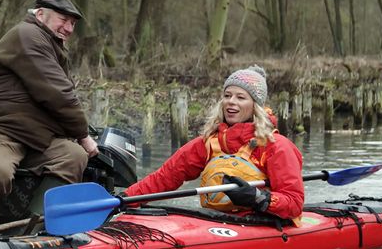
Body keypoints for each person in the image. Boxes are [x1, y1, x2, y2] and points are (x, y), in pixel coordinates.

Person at [0, 0, 99, 235]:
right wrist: (83, 135)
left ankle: (30, 234)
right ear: (40, 14)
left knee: (73, 157)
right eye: (63, 19)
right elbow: (58, 93)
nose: (68, 28)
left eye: (73, 23)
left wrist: (74, 140)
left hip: (34, 137)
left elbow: (54, 99)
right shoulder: (28, 35)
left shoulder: (52, 45)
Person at [123, 65, 304, 223]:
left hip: (261, 222)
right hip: (216, 221)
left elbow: (294, 203)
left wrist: (257, 198)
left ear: (255, 106)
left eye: (241, 97)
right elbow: (165, 177)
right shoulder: (209, 143)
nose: (231, 102)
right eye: (227, 95)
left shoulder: (277, 146)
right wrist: (125, 198)